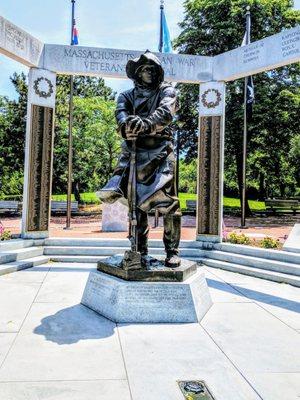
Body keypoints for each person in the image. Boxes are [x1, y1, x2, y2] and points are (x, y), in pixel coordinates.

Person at [98, 51, 181, 268]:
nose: (150, 72)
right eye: (145, 69)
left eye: (154, 69)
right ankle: (139, 251)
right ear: (137, 73)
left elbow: (165, 112)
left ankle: (172, 250)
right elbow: (121, 115)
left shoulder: (167, 91)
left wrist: (145, 124)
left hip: (161, 153)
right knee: (136, 206)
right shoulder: (126, 96)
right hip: (134, 154)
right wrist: (127, 126)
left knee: (168, 204)